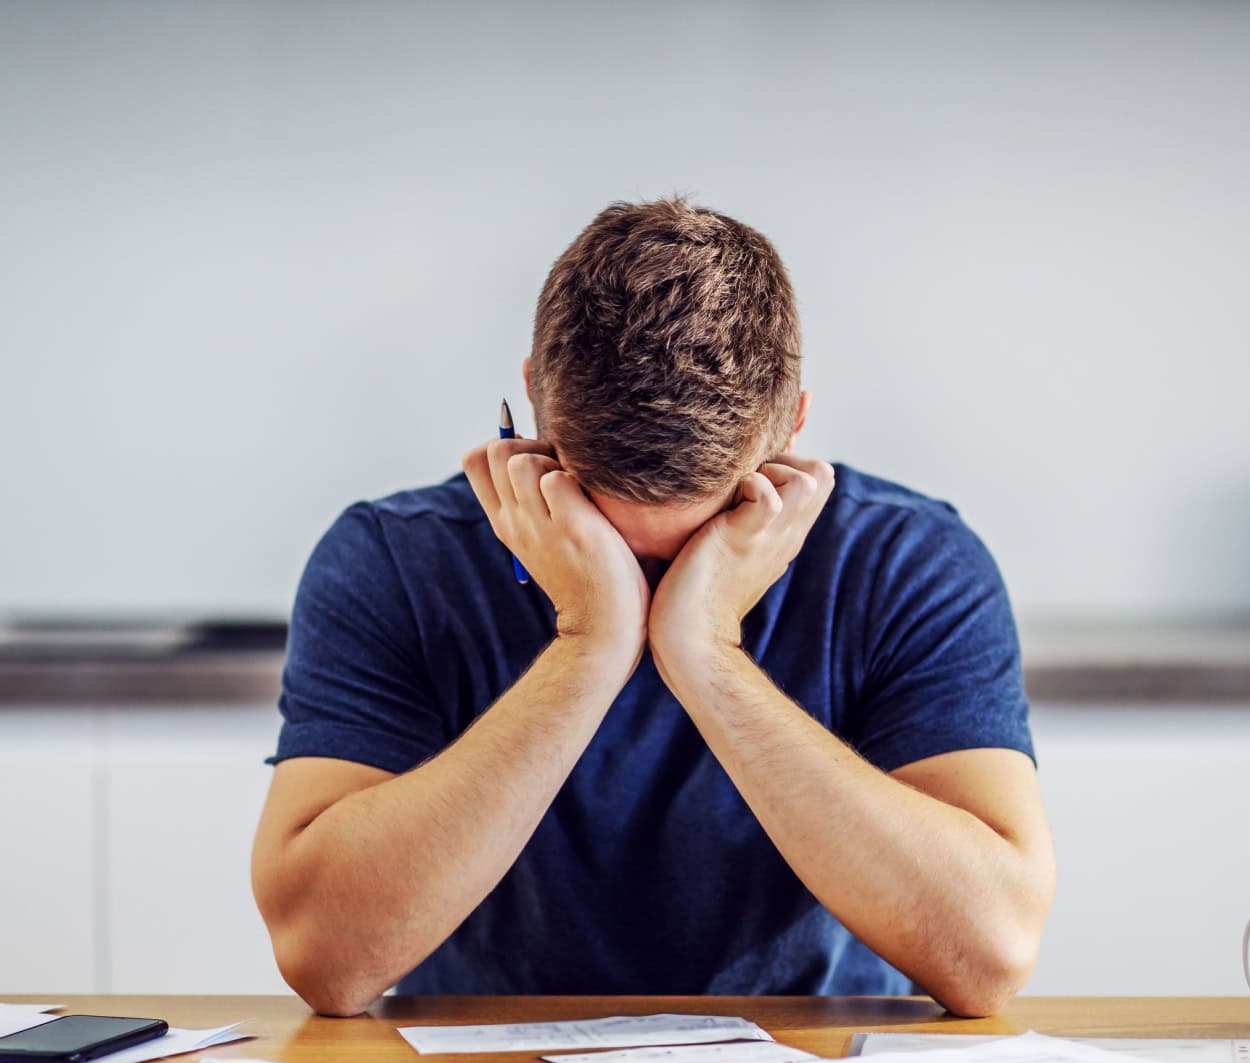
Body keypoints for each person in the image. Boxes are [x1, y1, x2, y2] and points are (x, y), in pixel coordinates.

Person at [251, 197, 1054, 1018]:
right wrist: (589, 642)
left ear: (793, 427)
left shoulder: (907, 561)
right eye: (602, 523)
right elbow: (326, 958)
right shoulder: (393, 561)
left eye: (701, 531)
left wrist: (704, 652)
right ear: (532, 407)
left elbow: (988, 952)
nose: (648, 573)